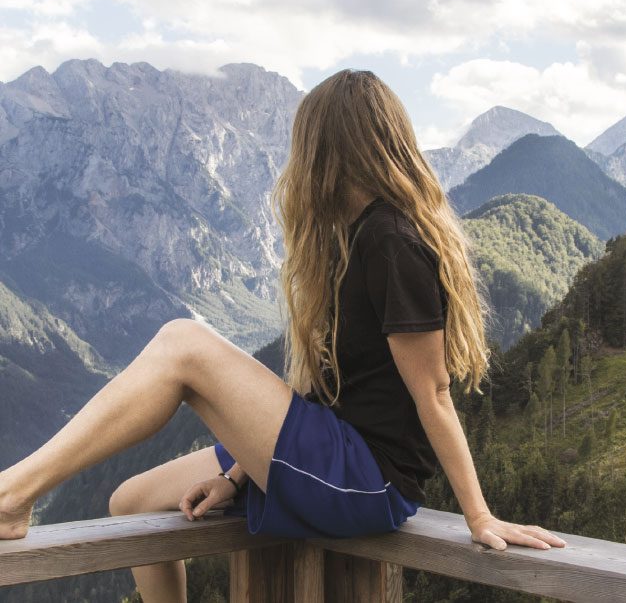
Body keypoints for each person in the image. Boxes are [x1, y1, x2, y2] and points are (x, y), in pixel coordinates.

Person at [0, 69, 566, 601]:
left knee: (183, 344)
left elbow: (435, 393)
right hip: (328, 453)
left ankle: (13, 493)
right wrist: (236, 474)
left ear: (329, 151)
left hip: (366, 477)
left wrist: (478, 515)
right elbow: (329, 391)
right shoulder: (353, 239)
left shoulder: (392, 241)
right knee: (132, 501)